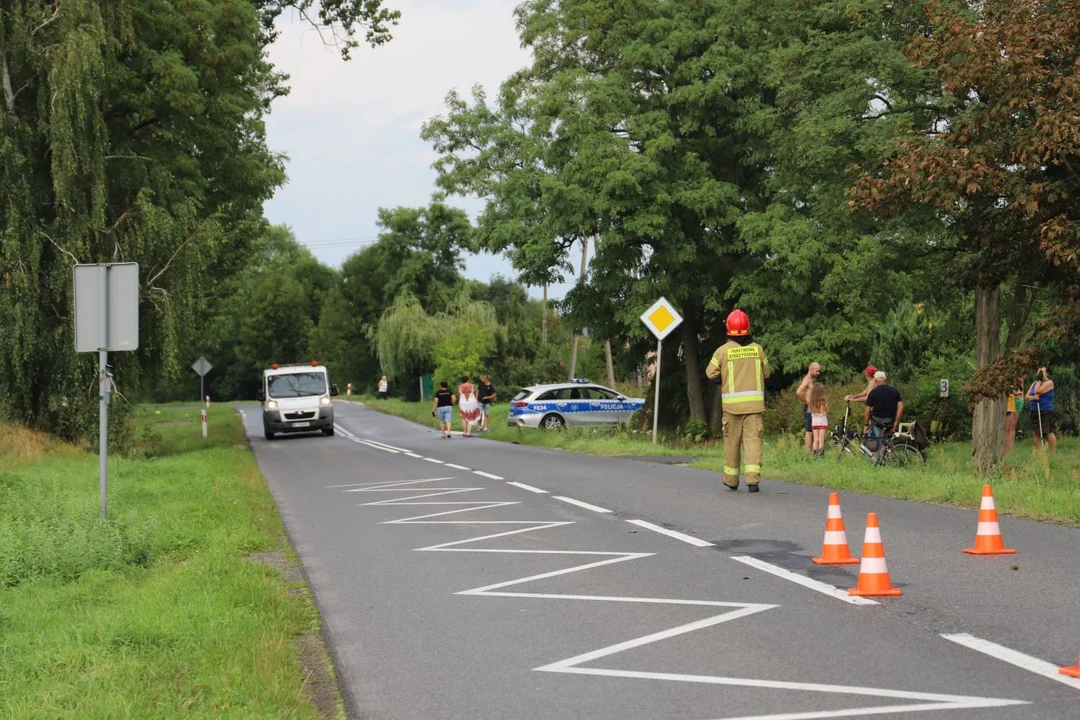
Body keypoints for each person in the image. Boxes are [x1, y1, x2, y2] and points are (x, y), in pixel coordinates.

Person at [705, 309, 770, 492]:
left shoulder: (722, 352)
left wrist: (723, 378)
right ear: (748, 327)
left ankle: (732, 480)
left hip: (732, 408)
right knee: (753, 442)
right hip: (754, 407)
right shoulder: (758, 350)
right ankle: (753, 481)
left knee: (731, 443)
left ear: (728, 329)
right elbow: (767, 373)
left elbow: (710, 373)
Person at [863, 371, 903, 463]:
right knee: (873, 438)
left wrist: (866, 424)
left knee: (877, 441)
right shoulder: (894, 391)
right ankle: (876, 459)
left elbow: (867, 411)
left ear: (876, 380)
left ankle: (878, 461)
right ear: (885, 380)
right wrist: (896, 422)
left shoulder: (873, 392)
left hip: (877, 421)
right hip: (889, 421)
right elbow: (901, 406)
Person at [1025, 366, 1056, 452]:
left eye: (1042, 372)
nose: (1040, 373)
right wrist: (1033, 397)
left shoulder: (1049, 383)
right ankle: (1039, 453)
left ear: (1047, 373)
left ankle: (1053, 452)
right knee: (1036, 433)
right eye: (1039, 372)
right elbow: (1027, 396)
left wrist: (1039, 381)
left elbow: (1037, 391)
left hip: (1045, 409)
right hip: (1034, 409)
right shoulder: (1035, 382)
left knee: (1048, 431)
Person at [796, 362, 821, 453]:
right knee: (809, 431)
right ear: (811, 369)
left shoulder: (811, 380)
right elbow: (798, 392)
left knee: (813, 429)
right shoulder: (807, 380)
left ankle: (813, 451)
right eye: (817, 371)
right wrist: (807, 402)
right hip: (809, 408)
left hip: (813, 408)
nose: (818, 373)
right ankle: (808, 453)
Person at [807, 381, 829, 454]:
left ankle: (814, 455)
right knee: (821, 440)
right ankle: (820, 455)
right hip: (822, 422)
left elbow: (810, 411)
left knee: (815, 440)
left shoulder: (811, 402)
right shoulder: (823, 401)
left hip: (814, 423)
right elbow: (827, 410)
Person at [1004, 377, 1025, 456]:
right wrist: (1015, 392)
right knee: (1007, 429)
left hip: (1011, 404)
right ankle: (1005, 451)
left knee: (1012, 427)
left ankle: (1009, 450)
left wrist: (1020, 395)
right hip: (1008, 406)